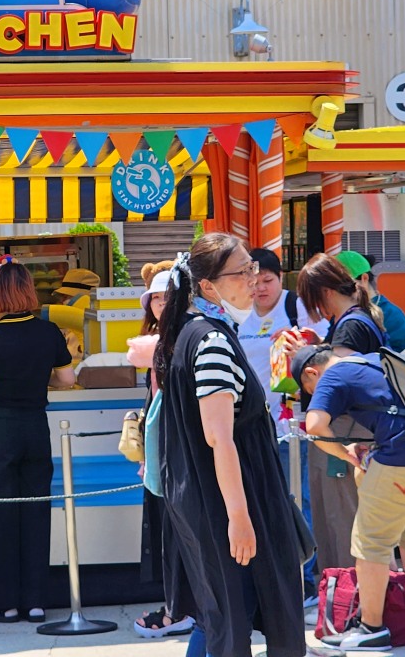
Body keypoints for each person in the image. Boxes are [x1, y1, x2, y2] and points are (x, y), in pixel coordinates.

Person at [155, 234, 305, 657]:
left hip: (215, 498)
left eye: (253, 269)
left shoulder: (194, 332)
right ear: (207, 286)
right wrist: (239, 518)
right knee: (233, 619)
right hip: (231, 502)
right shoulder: (211, 342)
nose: (253, 281)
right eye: (242, 272)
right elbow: (219, 437)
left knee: (222, 615)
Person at [294, 343, 405, 652]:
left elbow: (315, 426)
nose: (315, 392)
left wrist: (344, 454)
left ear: (312, 373)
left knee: (371, 542)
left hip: (403, 457)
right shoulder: (374, 359)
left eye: (309, 387)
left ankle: (371, 628)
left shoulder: (332, 374)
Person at [0, 263, 76, 623]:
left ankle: (5, 603)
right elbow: (67, 379)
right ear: (28, 291)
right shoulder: (48, 332)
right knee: (36, 512)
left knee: (1, 515)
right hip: (35, 430)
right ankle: (37, 601)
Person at [236, 247, 328, 607]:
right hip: (254, 426)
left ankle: (304, 578)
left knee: (300, 497)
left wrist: (301, 344)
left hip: (296, 425)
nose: (260, 289)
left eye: (267, 281)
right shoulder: (239, 314)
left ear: (280, 279)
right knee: (267, 501)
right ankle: (276, 575)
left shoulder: (296, 307)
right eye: (253, 281)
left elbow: (325, 352)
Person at [293, 253, 385, 575]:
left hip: (344, 434)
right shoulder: (362, 319)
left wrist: (305, 358)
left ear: (326, 293)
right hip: (363, 431)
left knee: (340, 517)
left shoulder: (349, 327)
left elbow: (337, 380)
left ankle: (347, 596)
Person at [129, 262, 195, 640]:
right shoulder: (163, 337)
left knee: (179, 532)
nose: (159, 304)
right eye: (154, 298)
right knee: (168, 533)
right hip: (162, 448)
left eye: (166, 296)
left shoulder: (184, 336)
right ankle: (177, 605)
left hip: (181, 450)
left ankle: (181, 609)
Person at [335, 251, 405, 352]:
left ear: (364, 278)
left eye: (344, 286)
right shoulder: (342, 311)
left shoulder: (391, 315)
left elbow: (401, 358)